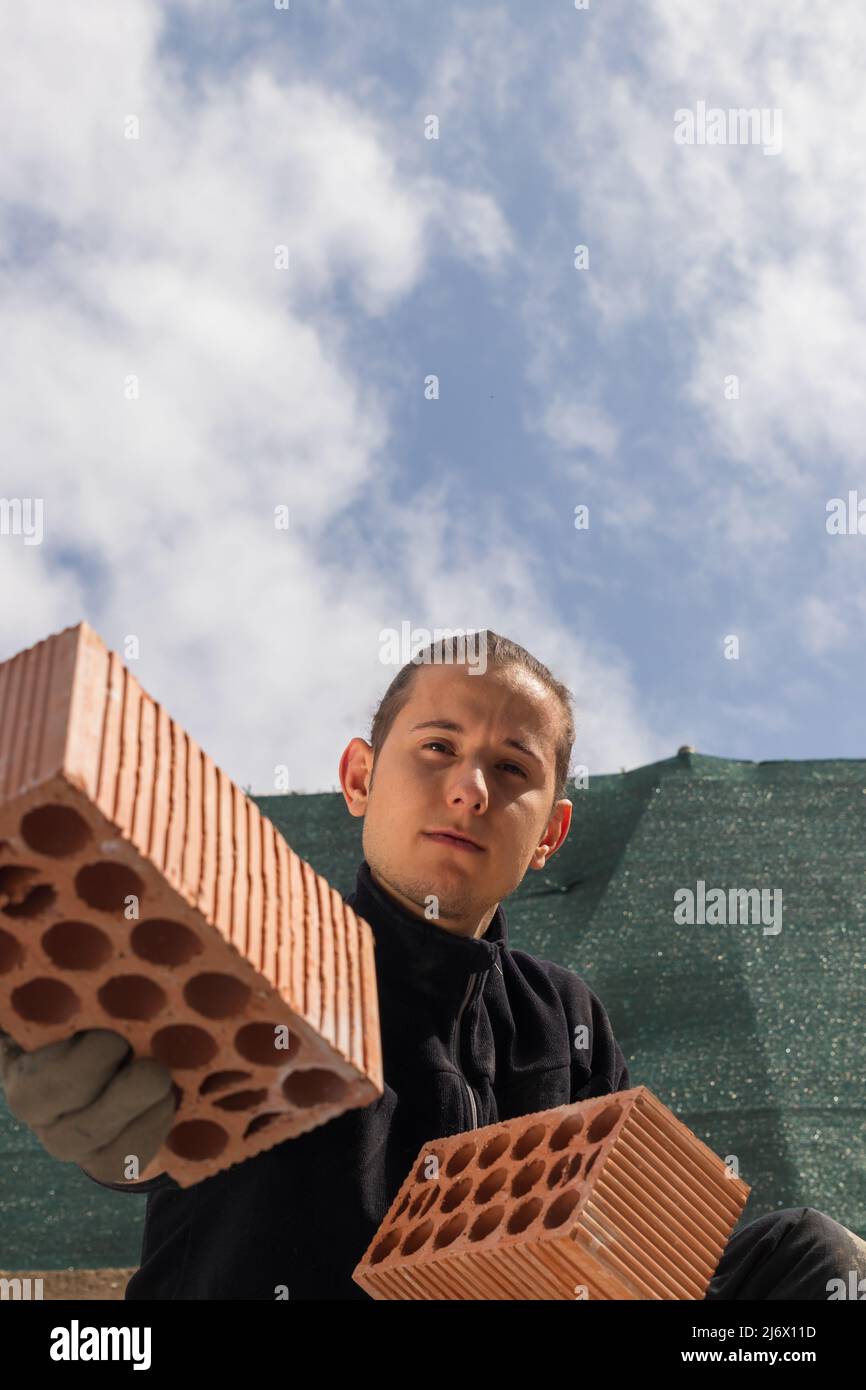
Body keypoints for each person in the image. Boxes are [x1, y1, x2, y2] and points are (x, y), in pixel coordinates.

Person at [2, 632, 864, 1299]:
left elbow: (643, 1250)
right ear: (359, 777)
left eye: (511, 767)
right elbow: (155, 1103)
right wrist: (119, 1130)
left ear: (550, 837)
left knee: (806, 1259)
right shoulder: (276, 941)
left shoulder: (563, 1015)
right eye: (439, 748)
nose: (470, 789)